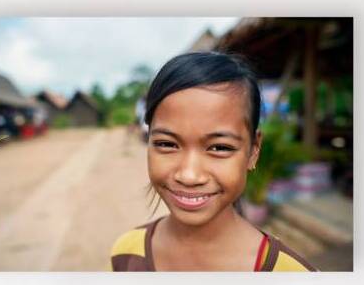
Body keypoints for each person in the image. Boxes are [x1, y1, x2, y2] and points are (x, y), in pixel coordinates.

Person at [109, 51, 316, 272]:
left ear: (253, 150)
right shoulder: (126, 254)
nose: (189, 175)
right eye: (167, 144)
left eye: (220, 147)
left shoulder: (294, 278)